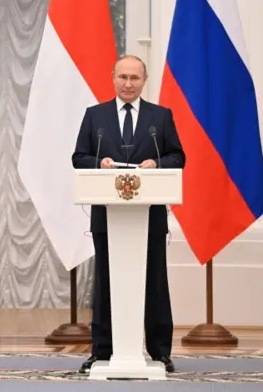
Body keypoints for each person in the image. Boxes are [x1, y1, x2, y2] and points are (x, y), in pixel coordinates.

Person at [72, 55, 185, 374]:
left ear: (144, 80)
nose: (128, 83)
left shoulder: (160, 117)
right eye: (122, 77)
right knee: (106, 282)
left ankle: (160, 351)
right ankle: (102, 350)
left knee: (155, 282)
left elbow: (178, 156)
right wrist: (100, 164)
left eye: (134, 78)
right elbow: (78, 157)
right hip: (107, 216)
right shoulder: (95, 116)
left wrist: (157, 164)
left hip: (149, 217)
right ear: (113, 78)